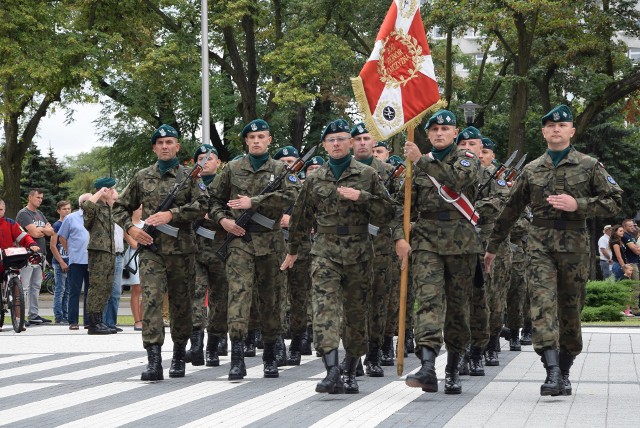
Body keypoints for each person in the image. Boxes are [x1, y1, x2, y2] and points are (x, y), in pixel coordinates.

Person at [484, 105, 623, 397]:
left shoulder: (589, 165)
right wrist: (493, 247)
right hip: (540, 247)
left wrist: (579, 205)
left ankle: (565, 369)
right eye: (550, 126)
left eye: (562, 125)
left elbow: (615, 202)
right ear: (544, 132)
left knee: (570, 311)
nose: (556, 129)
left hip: (574, 247)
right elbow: (510, 211)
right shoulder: (532, 169)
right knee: (543, 307)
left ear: (571, 131)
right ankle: (552, 372)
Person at [281, 118, 394, 394]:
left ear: (352, 143)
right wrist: (293, 251)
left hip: (359, 252)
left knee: (356, 313)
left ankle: (352, 368)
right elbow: (300, 217)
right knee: (324, 310)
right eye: (331, 140)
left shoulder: (368, 175)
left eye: (342, 139)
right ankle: (332, 369)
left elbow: (389, 212)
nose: (336, 144)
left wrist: (362, 197)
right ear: (324, 145)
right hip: (325, 251)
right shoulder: (315, 178)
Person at [395, 110, 482, 395]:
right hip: (426, 241)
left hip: (461, 243)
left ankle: (453, 368)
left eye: (445, 129)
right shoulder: (416, 166)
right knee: (428, 301)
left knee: (458, 309)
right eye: (434, 130)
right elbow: (399, 206)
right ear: (428, 134)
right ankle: (428, 365)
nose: (440, 133)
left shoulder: (466, 159)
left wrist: (420, 159)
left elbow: (457, 180)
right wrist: (399, 237)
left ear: (455, 133)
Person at [113, 124, 208, 381]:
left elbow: (203, 204)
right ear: (154, 148)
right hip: (152, 250)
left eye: (170, 142)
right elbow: (119, 208)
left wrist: (172, 214)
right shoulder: (142, 176)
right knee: (152, 301)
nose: (165, 146)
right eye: (160, 142)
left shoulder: (190, 176)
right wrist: (132, 229)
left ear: (177, 146)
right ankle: (153, 360)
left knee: (181, 304)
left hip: (182, 251)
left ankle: (178, 355)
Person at [209, 118, 300, 381]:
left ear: (269, 140)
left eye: (262, 136)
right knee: (238, 297)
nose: (257, 141)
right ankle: (237, 358)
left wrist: (255, 201)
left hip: (271, 242)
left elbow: (292, 195)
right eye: (252, 137)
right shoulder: (232, 168)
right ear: (246, 142)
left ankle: (270, 356)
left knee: (271, 300)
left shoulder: (281, 169)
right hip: (240, 242)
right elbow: (213, 200)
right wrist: (223, 220)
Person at [351, 122, 398, 377]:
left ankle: (374, 353)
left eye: (366, 138)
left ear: (374, 143)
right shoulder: (340, 171)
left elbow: (397, 208)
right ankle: (353, 355)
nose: (361, 142)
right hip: (350, 246)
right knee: (353, 303)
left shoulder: (390, 172)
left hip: (381, 245)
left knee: (379, 303)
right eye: (356, 138)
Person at [185, 144, 229, 368]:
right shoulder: (189, 184)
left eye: (209, 158)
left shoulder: (227, 182)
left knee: (220, 300)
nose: (204, 162)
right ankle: (195, 345)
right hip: (195, 248)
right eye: (200, 158)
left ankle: (213, 345)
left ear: (218, 162)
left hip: (221, 249)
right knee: (195, 295)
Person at [82, 179, 118, 335]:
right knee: (96, 286)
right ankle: (93, 323)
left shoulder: (108, 208)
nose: (112, 192)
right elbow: (87, 205)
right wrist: (99, 193)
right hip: (98, 251)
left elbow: (118, 200)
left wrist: (109, 195)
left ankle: (100, 319)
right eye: (110, 189)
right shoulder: (94, 208)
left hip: (109, 251)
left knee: (106, 286)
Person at [16, 188, 54, 325]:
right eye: (38, 197)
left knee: (36, 286)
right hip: (27, 254)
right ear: (30, 197)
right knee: (24, 287)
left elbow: (50, 231)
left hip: (40, 255)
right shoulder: (23, 213)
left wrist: (41, 230)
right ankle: (21, 317)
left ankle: (34, 315)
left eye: (42, 198)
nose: (40, 200)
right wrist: (43, 230)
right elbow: (34, 233)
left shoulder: (39, 214)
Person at [0, 199, 40, 329]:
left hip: (8, 258)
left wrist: (32, 244)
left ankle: (19, 320)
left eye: (0, 210)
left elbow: (23, 236)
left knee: (17, 289)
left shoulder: (11, 223)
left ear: (4, 210)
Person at [58, 193, 92, 330]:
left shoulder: (96, 217)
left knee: (91, 292)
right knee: (75, 291)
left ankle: (89, 321)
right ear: (82, 203)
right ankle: (73, 321)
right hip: (77, 260)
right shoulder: (71, 218)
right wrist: (69, 252)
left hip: (92, 260)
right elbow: (62, 237)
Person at [102, 189, 125, 333]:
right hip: (105, 255)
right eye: (114, 199)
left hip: (119, 255)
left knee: (116, 292)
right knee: (105, 291)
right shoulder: (102, 214)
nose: (117, 202)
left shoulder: (120, 215)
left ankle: (111, 322)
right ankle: (103, 322)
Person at [122, 206, 144, 331]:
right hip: (134, 258)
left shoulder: (146, 224)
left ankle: (144, 318)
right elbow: (134, 244)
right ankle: (137, 320)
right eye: (139, 208)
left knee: (147, 290)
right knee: (137, 288)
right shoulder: (128, 226)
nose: (142, 210)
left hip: (146, 257)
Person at [50, 200, 72, 325]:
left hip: (70, 261)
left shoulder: (71, 224)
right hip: (60, 262)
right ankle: (59, 316)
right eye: (64, 209)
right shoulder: (57, 225)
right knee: (60, 289)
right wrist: (61, 262)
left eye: (69, 208)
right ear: (59, 211)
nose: (67, 211)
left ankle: (66, 315)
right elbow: (53, 246)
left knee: (68, 290)